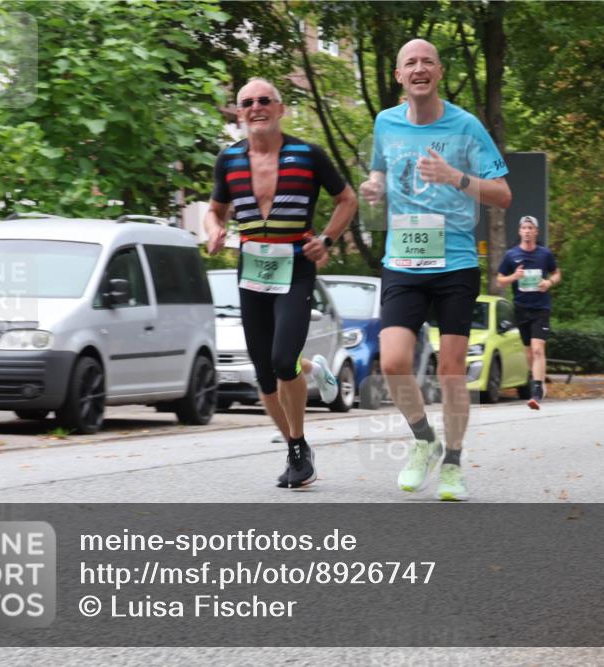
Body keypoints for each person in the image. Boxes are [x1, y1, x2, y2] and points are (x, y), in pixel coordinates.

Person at [359, 38, 511, 501]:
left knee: (450, 371)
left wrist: (456, 178)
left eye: (427, 61)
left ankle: (454, 464)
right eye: (411, 63)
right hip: (403, 258)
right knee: (393, 362)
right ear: (401, 76)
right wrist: (373, 187)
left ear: (439, 72)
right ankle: (424, 440)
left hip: (456, 260)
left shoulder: (466, 127)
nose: (419, 68)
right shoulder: (385, 122)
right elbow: (381, 173)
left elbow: (503, 194)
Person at [205, 77, 358, 488]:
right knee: (264, 372)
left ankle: (297, 443)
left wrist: (326, 239)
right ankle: (298, 440)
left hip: (295, 266)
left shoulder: (308, 155)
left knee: (281, 358)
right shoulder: (229, 160)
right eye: (247, 102)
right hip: (252, 269)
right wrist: (214, 230)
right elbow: (215, 210)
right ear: (239, 113)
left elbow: (348, 199)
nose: (256, 107)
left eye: (264, 100)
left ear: (280, 108)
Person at [496, 215, 560, 410]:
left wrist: (548, 282)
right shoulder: (511, 255)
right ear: (520, 231)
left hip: (541, 307)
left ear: (536, 232)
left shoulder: (544, 254)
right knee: (530, 353)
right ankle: (537, 379)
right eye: (524, 227)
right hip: (521, 308)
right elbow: (499, 280)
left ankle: (537, 389)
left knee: (539, 348)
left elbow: (557, 273)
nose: (527, 231)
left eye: (531, 228)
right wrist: (514, 276)